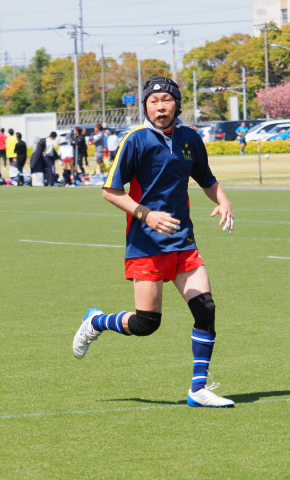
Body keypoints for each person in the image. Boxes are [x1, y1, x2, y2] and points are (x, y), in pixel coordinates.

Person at [72, 77, 235, 408]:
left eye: (166, 100)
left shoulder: (191, 138)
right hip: (146, 245)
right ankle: (96, 321)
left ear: (177, 104)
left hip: (183, 242)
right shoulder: (136, 140)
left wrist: (223, 200)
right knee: (146, 324)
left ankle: (198, 389)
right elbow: (110, 191)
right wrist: (146, 215)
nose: (161, 107)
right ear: (145, 107)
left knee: (206, 309)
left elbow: (206, 179)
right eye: (153, 101)